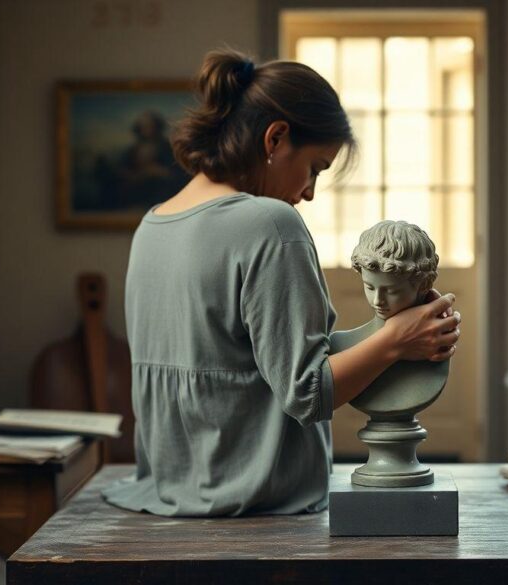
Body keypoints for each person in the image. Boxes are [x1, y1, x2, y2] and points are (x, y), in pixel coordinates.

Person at [100, 49, 461, 517]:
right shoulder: (270, 224)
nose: (309, 191)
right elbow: (308, 394)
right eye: (316, 167)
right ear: (275, 138)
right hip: (258, 506)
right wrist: (397, 339)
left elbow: (233, 361)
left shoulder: (152, 225)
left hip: (163, 498)